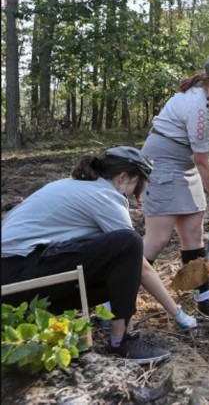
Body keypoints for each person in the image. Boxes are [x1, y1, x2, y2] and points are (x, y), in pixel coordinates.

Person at [1, 147, 176, 363]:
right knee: (129, 242)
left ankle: (119, 333)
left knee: (116, 268)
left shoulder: (77, 187)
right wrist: (177, 313)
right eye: (137, 185)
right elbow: (140, 265)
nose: (136, 194)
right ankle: (122, 341)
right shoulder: (105, 196)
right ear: (122, 177)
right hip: (15, 274)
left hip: (14, 275)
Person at [140, 55, 209, 322]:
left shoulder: (206, 95)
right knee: (158, 240)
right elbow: (202, 161)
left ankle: (205, 300)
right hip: (162, 168)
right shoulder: (197, 108)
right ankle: (115, 299)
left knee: (193, 238)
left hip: (183, 165)